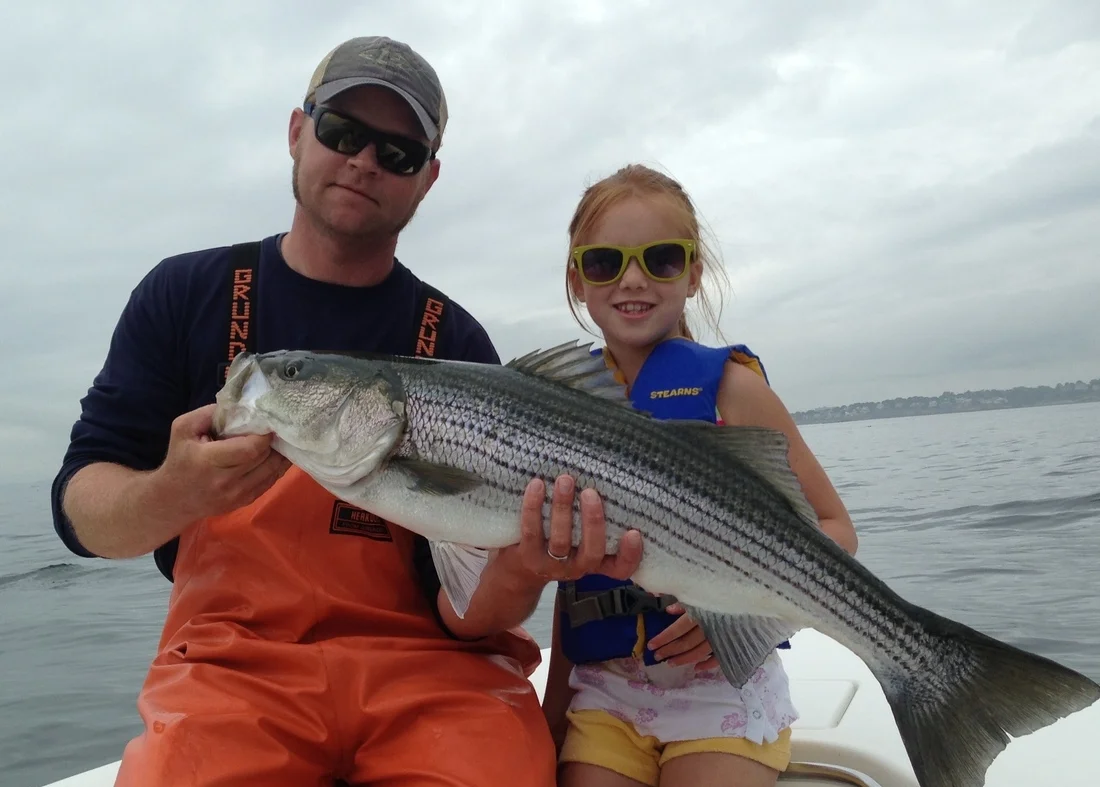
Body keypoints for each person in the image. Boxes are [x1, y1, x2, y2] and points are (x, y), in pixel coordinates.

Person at [49, 36, 643, 787]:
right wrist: (174, 491)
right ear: (298, 132)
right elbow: (80, 515)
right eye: (342, 132)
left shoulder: (456, 340)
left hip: (435, 678)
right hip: (232, 675)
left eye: (398, 152)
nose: (364, 160)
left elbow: (470, 611)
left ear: (428, 179)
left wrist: (524, 567)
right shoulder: (183, 295)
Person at [540, 163, 860, 787]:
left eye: (660, 258)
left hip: (725, 694)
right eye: (606, 262)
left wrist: (741, 619)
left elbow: (835, 529)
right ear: (578, 280)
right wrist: (555, 707)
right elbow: (571, 581)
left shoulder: (733, 392)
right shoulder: (559, 409)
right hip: (605, 697)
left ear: (693, 273)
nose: (633, 279)